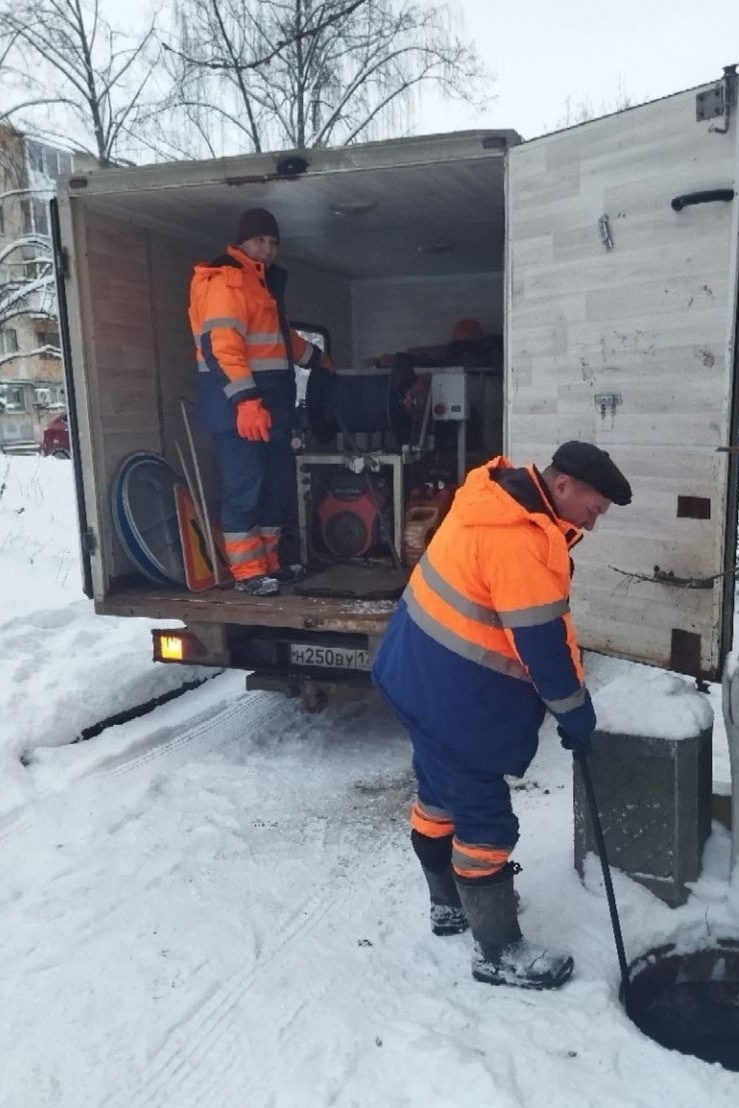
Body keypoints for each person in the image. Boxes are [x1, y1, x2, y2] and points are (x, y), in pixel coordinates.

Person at [372, 441, 632, 990]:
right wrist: (575, 715)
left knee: (439, 796)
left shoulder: (491, 503)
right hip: (453, 701)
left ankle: (448, 906)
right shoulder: (520, 542)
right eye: (595, 508)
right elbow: (544, 649)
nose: (595, 521)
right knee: (486, 824)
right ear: (562, 486)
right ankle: (497, 950)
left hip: (413, 677)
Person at [188, 207, 329, 595]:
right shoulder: (228, 282)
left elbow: (281, 340)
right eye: (260, 241)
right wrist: (246, 402)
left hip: (273, 409)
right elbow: (221, 349)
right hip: (239, 409)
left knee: (275, 488)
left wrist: (318, 359)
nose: (267, 249)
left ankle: (269, 565)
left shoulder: (261, 285)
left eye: (272, 242)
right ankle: (247, 573)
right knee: (244, 489)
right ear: (241, 242)